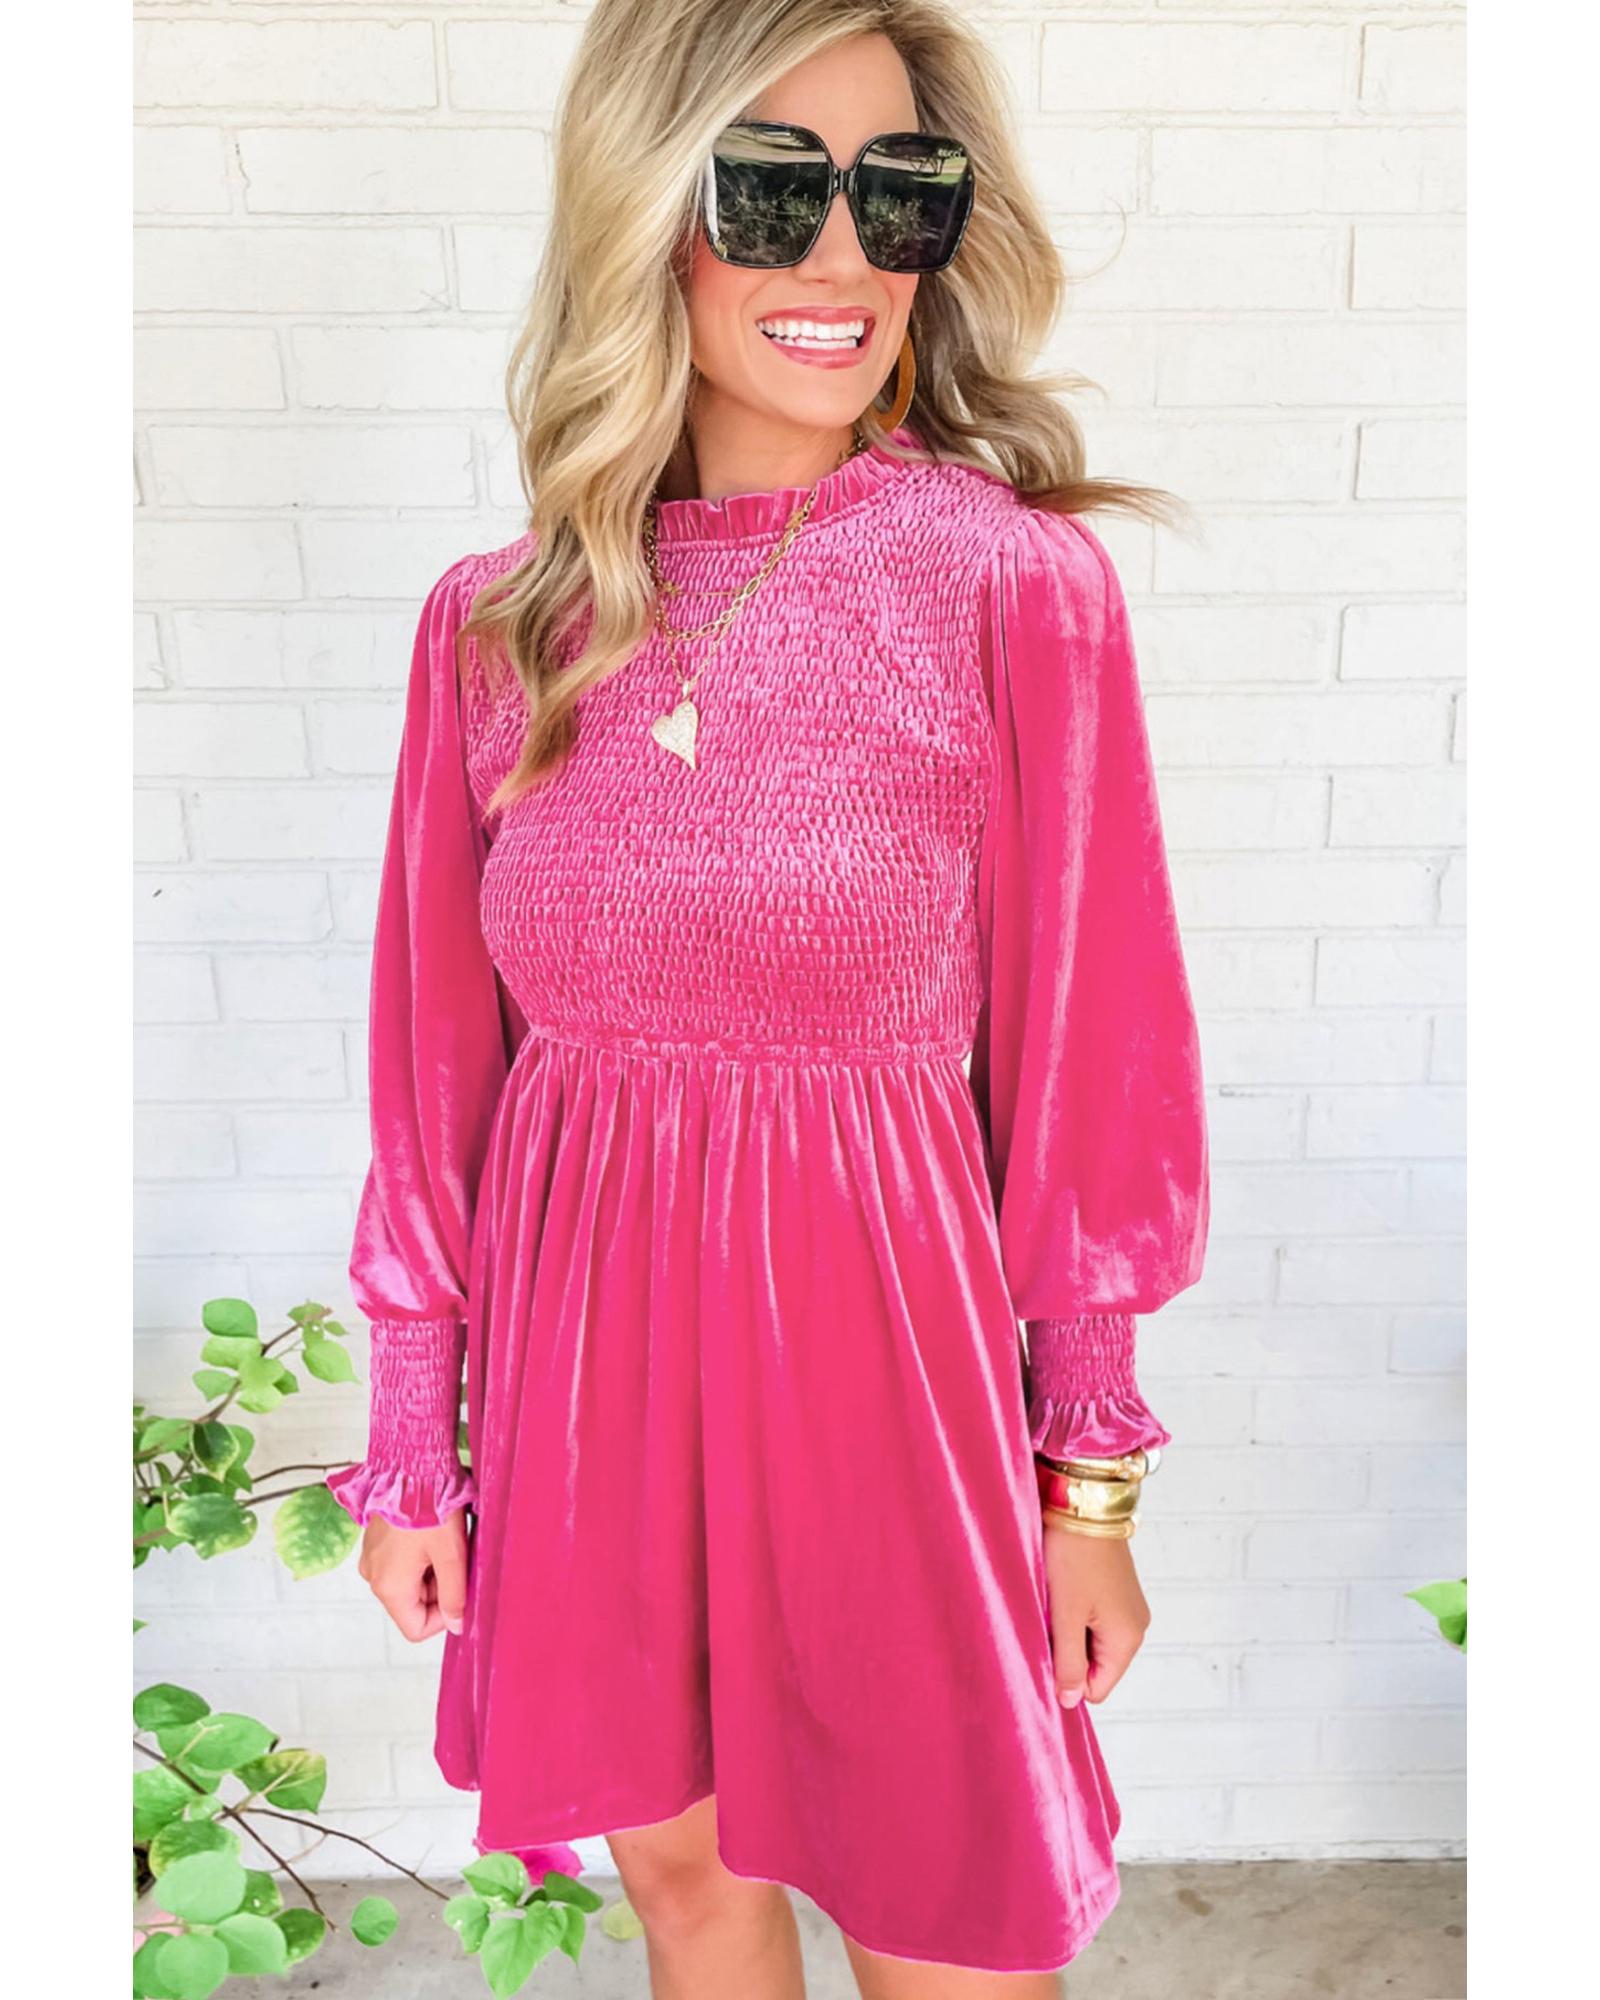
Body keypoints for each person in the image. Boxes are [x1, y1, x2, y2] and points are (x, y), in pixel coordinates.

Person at [326, 2, 1209, 1992]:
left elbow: (1093, 1063)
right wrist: (411, 1441)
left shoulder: (1003, 587)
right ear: (645, 210)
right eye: (767, 189)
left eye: (900, 195)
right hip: (583, 1377)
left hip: (884, 1369)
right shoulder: (500, 625)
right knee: (683, 1882)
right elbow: (431, 1070)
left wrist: (1087, 1477)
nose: (841, 256)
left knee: (944, 1906)